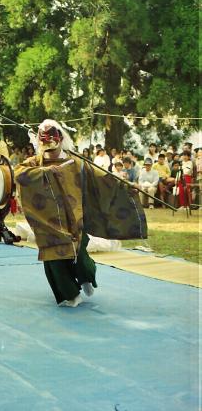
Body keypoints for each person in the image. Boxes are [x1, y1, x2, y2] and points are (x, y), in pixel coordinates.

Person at [14, 119, 147, 307]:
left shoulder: (74, 162)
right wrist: (46, 171)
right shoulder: (35, 163)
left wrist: (124, 185)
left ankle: (85, 277)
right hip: (48, 222)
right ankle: (70, 294)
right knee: (54, 258)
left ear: (60, 140)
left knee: (80, 253)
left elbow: (100, 177)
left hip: (74, 217)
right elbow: (19, 174)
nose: (48, 148)